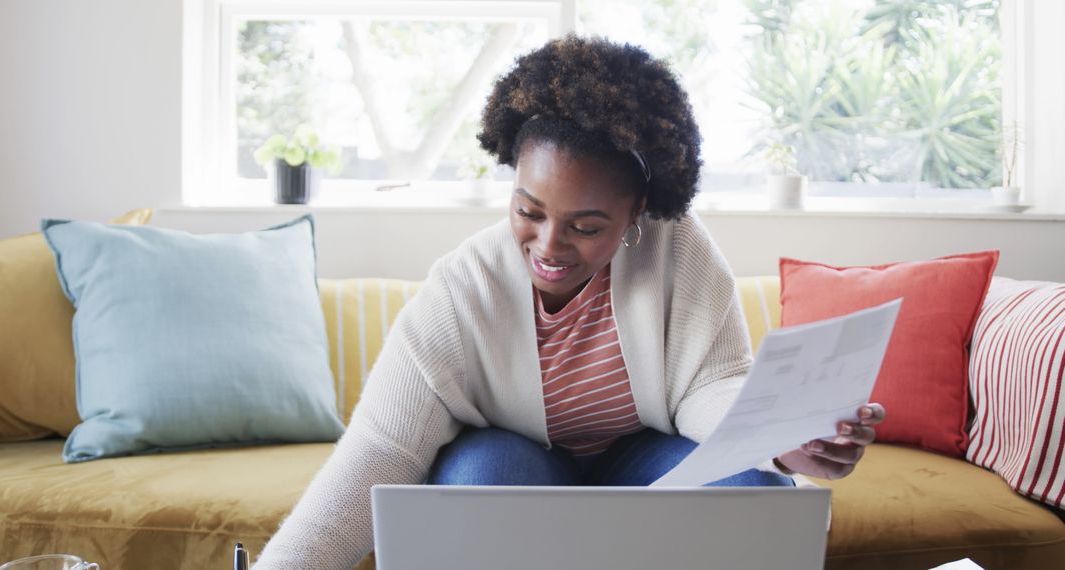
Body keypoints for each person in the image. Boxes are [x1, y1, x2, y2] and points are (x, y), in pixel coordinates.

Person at [253, 35, 884, 569]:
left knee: (756, 495)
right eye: (529, 211)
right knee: (476, 485)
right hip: (514, 460)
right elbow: (380, 452)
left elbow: (710, 387)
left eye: (587, 226)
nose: (549, 245)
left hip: (647, 457)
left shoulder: (679, 250)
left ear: (637, 214)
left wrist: (782, 442)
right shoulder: (460, 290)